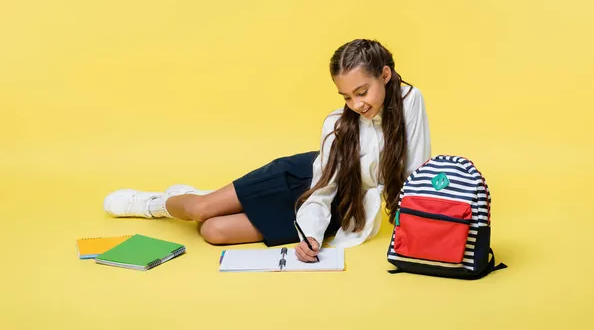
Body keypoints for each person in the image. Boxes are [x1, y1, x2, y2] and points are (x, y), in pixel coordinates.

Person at [103, 38, 431, 262]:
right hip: (305, 179)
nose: (356, 104)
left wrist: (312, 237)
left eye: (362, 92)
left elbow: (416, 172)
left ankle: (205, 198)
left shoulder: (409, 101)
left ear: (385, 75)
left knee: (213, 231)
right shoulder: (337, 124)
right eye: (346, 96)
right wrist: (311, 228)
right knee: (202, 209)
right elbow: (320, 190)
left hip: (339, 208)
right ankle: (153, 203)